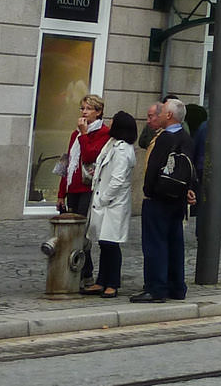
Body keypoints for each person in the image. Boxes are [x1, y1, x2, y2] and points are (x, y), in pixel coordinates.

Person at [134, 99, 197, 302]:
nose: (159, 113)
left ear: (169, 115)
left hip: (158, 199)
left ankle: (156, 288)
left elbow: (152, 169)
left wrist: (148, 190)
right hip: (178, 199)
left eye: (162, 111)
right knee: (174, 242)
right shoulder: (186, 138)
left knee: (155, 244)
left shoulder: (164, 139)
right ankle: (177, 286)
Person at [58, 95, 110, 289]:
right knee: (71, 231)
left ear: (98, 112)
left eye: (89, 109)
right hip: (74, 187)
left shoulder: (103, 133)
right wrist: (61, 192)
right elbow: (68, 163)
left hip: (89, 188)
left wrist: (84, 134)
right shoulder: (76, 134)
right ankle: (74, 270)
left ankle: (85, 273)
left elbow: (90, 155)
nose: (84, 112)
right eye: (82, 108)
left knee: (82, 233)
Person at [83, 110, 136, 299]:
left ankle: (112, 283)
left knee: (111, 244)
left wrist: (104, 198)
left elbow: (118, 179)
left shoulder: (123, 149)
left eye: (113, 122)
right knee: (104, 243)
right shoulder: (112, 144)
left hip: (113, 203)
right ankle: (101, 280)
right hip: (105, 200)